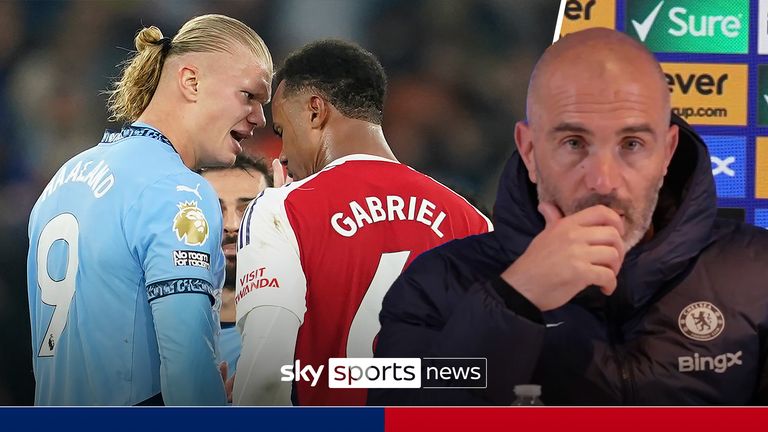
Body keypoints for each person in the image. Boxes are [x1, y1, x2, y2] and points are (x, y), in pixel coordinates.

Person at [371, 27, 768, 405]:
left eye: (632, 144)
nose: (603, 181)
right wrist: (516, 299)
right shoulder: (435, 284)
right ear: (529, 151)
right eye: (574, 142)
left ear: (666, 152)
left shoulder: (757, 274)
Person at [26, 14, 272, 405]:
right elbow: (187, 369)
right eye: (249, 96)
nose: (260, 118)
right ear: (191, 82)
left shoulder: (64, 179)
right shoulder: (178, 192)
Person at [233, 40, 493, 406]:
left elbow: (264, 381)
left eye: (281, 131)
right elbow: (488, 373)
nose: (285, 154)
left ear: (314, 111)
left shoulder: (283, 210)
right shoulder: (472, 221)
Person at [200, 154, 271, 382]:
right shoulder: (155, 335)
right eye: (213, 209)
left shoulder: (300, 332)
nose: (231, 225)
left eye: (248, 209)